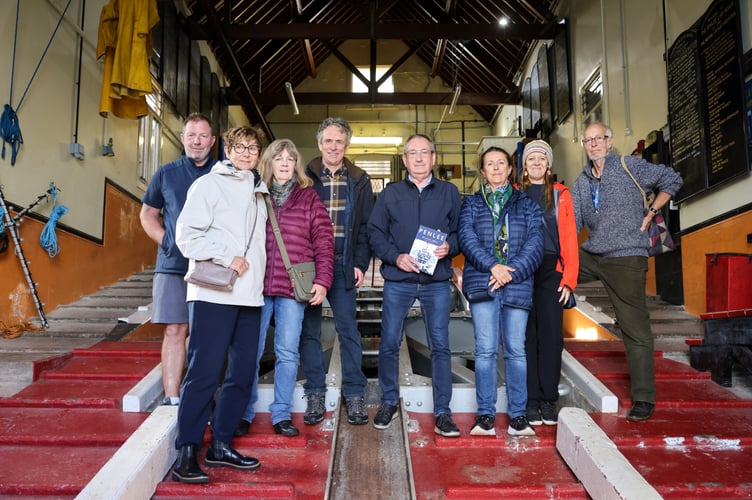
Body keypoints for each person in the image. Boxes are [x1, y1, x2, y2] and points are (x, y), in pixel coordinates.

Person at [171, 126, 268, 484]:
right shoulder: (208, 185)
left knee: (242, 373)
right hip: (214, 293)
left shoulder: (260, 191)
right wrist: (227, 257)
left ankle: (221, 443)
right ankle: (187, 451)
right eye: (239, 146)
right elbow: (186, 235)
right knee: (204, 372)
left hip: (249, 296)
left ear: (259, 153)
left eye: (252, 147)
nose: (246, 152)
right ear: (227, 149)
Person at [571, 122, 683, 422]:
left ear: (610, 141)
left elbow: (672, 179)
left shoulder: (629, 165)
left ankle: (644, 397)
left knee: (634, 328)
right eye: (588, 140)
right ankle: (562, 298)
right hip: (593, 255)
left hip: (626, 256)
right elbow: (571, 224)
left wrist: (653, 210)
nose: (594, 144)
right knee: (551, 272)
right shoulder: (582, 182)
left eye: (599, 139)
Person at [367, 134, 462, 437]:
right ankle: (388, 401)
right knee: (389, 342)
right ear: (404, 160)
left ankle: (443, 412)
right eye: (413, 153)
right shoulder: (390, 194)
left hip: (436, 281)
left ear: (433, 158)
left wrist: (451, 246)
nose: (419, 158)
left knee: (441, 346)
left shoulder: (449, 192)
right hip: (400, 280)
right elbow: (375, 232)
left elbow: (462, 232)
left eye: (425, 152)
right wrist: (395, 257)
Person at [241, 138, 334, 438]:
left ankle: (281, 413)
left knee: (286, 351)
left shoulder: (308, 198)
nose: (284, 163)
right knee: (250, 351)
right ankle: (243, 411)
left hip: (292, 287)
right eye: (278, 158)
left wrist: (322, 280)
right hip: (255, 286)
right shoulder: (254, 194)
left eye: (290, 159)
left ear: (296, 165)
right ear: (268, 162)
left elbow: (323, 239)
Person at [459, 146, 543, 437]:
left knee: (516, 351)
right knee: (484, 351)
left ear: (510, 169)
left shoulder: (527, 204)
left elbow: (535, 243)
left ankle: (518, 415)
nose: (495, 168)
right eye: (489, 164)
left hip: (517, 283)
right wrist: (494, 266)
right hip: (483, 281)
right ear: (483, 172)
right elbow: (467, 239)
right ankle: (486, 415)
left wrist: (510, 271)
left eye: (500, 163)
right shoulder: (471, 204)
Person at [300, 117, 373, 426]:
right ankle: (315, 392)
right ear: (319, 144)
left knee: (348, 331)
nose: (333, 146)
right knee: (310, 332)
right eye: (328, 141)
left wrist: (360, 263)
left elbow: (367, 226)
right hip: (311, 265)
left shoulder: (360, 178)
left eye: (339, 141)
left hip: (343, 265)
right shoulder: (305, 176)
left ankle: (355, 395)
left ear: (347, 145)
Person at [140, 112, 216, 406]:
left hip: (212, 266)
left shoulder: (222, 173)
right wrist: (166, 241)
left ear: (212, 140)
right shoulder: (166, 173)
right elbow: (147, 214)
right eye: (191, 135)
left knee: (207, 335)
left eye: (203, 136)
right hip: (173, 266)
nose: (197, 141)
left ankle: (201, 396)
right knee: (175, 330)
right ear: (183, 138)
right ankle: (172, 399)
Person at [518, 140, 578, 427]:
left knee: (552, 337)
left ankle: (547, 399)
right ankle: (530, 400)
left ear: (549, 165)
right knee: (526, 337)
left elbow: (569, 239)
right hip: (521, 271)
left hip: (551, 270)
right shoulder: (514, 195)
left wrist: (569, 279)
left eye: (542, 158)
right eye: (532, 159)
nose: (537, 163)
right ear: (525, 166)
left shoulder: (560, 194)